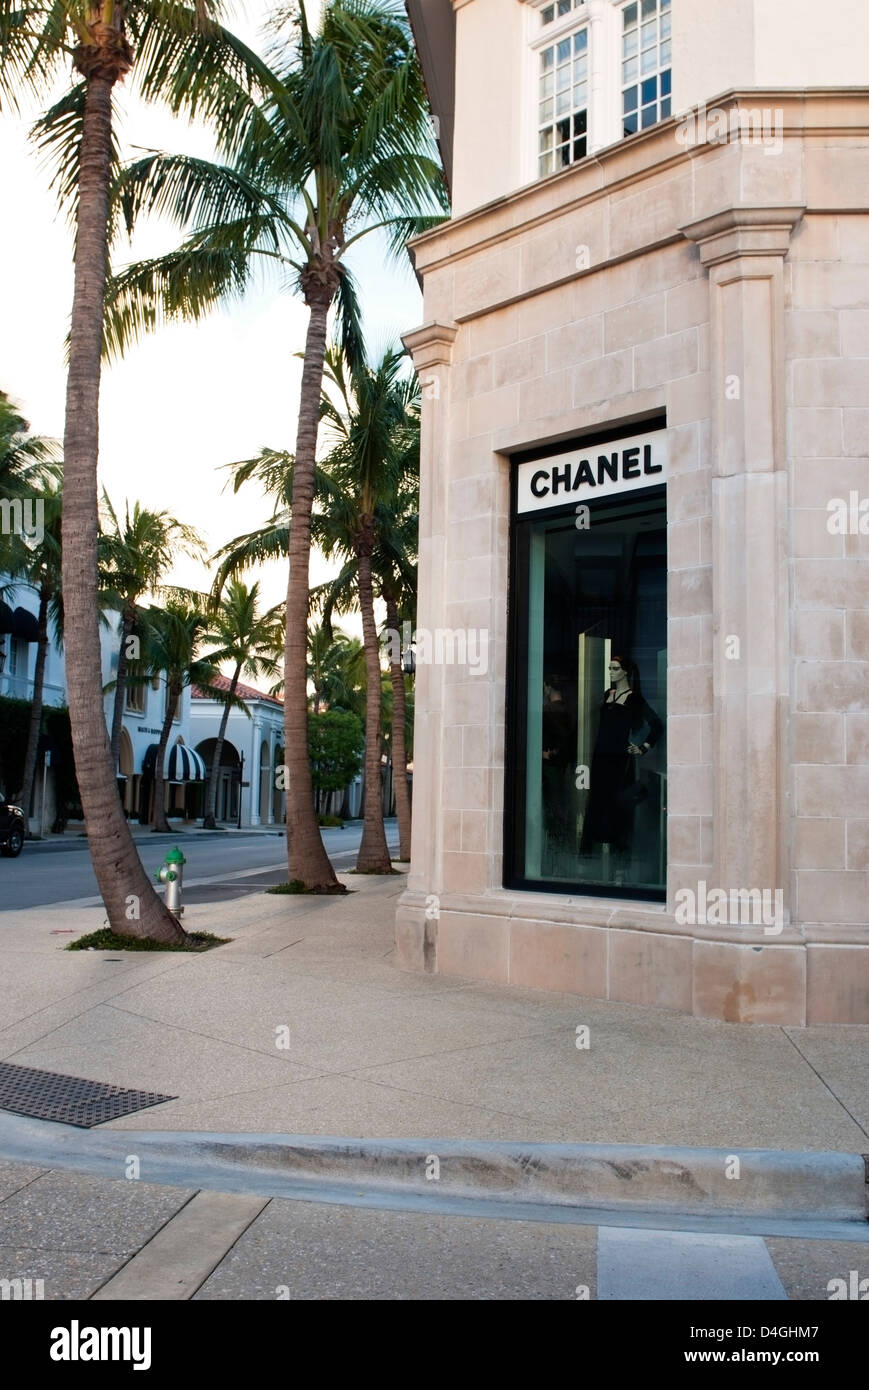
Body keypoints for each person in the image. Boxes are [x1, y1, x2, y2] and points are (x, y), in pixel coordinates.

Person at [579, 655, 663, 856]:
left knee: (616, 803)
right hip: (601, 755)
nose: (611, 672)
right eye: (609, 668)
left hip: (619, 759)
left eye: (615, 668)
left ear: (625, 671)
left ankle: (619, 851)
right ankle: (590, 852)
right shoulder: (608, 693)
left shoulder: (634, 698)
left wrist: (642, 747)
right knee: (597, 801)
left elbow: (657, 725)